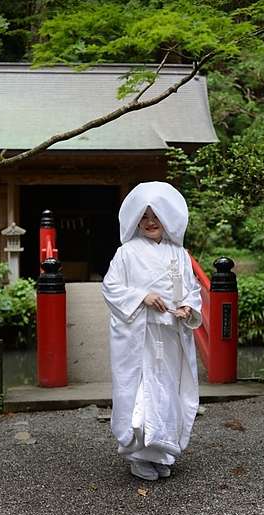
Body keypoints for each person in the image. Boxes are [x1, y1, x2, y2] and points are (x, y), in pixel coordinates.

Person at [101, 181, 202, 481]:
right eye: (144, 216)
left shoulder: (179, 254)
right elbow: (111, 287)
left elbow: (191, 289)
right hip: (140, 337)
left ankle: (164, 451)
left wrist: (187, 307)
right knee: (142, 393)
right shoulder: (126, 253)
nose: (150, 222)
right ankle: (140, 455)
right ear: (136, 221)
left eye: (155, 215)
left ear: (166, 218)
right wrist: (142, 296)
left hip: (170, 335)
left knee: (168, 391)